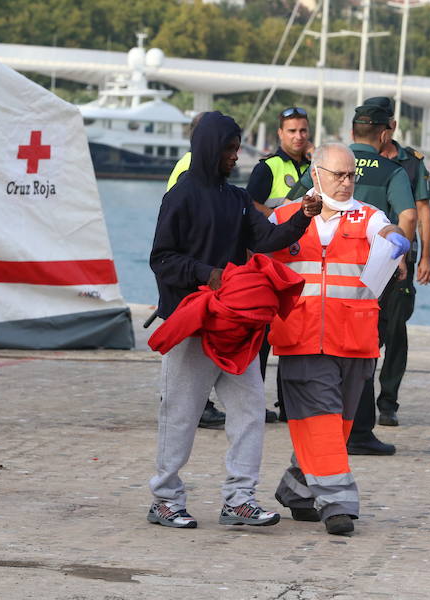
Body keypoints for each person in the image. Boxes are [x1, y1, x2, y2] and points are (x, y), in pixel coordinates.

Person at [147, 111, 321, 529]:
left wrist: (303, 216)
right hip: (191, 325)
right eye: (228, 148)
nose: (234, 155)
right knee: (180, 415)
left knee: (249, 412)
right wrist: (206, 274)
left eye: (236, 147)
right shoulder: (181, 197)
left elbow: (267, 239)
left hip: (236, 328)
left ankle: (238, 499)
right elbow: (161, 259)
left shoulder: (237, 199)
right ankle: (164, 500)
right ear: (210, 148)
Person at [269, 142, 411, 535]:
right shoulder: (286, 216)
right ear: (316, 174)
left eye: (351, 175)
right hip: (302, 339)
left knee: (337, 424)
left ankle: (297, 491)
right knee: (324, 421)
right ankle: (338, 504)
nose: (347, 183)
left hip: (355, 339)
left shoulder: (367, 215)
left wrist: (396, 238)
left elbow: (385, 228)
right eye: (339, 175)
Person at [362, 96, 430, 428]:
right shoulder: (358, 161)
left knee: (395, 329)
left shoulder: (411, 162)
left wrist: (426, 258)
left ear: (392, 126)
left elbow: (421, 212)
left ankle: (387, 401)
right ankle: (358, 393)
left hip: (401, 258)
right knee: (365, 331)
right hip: (363, 257)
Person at [247, 107, 313, 423]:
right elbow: (249, 207)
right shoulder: (267, 169)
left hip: (304, 262)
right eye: (292, 131)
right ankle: (253, 403)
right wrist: (288, 213)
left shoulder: (317, 167)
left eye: (302, 130)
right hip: (272, 261)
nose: (298, 136)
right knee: (261, 340)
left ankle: (290, 404)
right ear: (280, 134)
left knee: (296, 338)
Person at [164, 113, 226, 430]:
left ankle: (197, 403)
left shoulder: (192, 164)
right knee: (188, 349)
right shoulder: (191, 170)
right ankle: (196, 405)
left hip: (194, 271)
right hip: (192, 275)